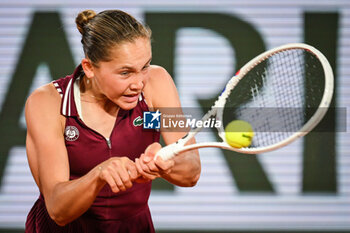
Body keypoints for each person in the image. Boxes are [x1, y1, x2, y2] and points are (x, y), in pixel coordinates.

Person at [24, 9, 201, 233]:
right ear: (89, 68)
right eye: (125, 73)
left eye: (144, 66)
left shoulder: (158, 83)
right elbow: (58, 210)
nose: (139, 83)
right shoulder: (47, 103)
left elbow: (192, 170)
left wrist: (165, 164)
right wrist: (99, 175)